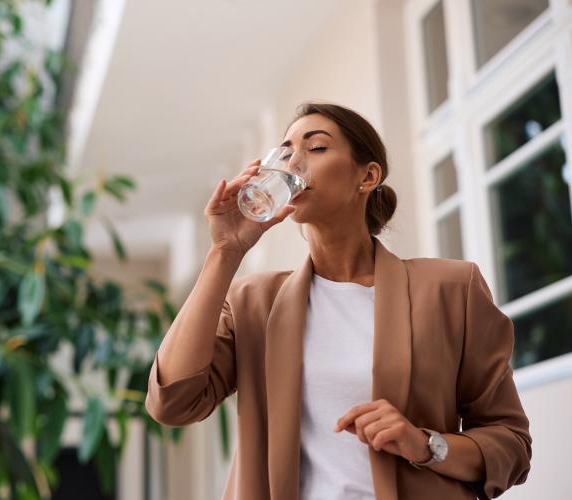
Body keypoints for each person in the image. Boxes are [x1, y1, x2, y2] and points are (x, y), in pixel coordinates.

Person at [144, 102, 531, 500]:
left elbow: (511, 444)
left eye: (316, 148)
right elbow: (172, 402)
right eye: (287, 151)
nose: (294, 162)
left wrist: (424, 444)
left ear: (368, 176)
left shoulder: (451, 288)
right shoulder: (252, 302)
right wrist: (225, 252)